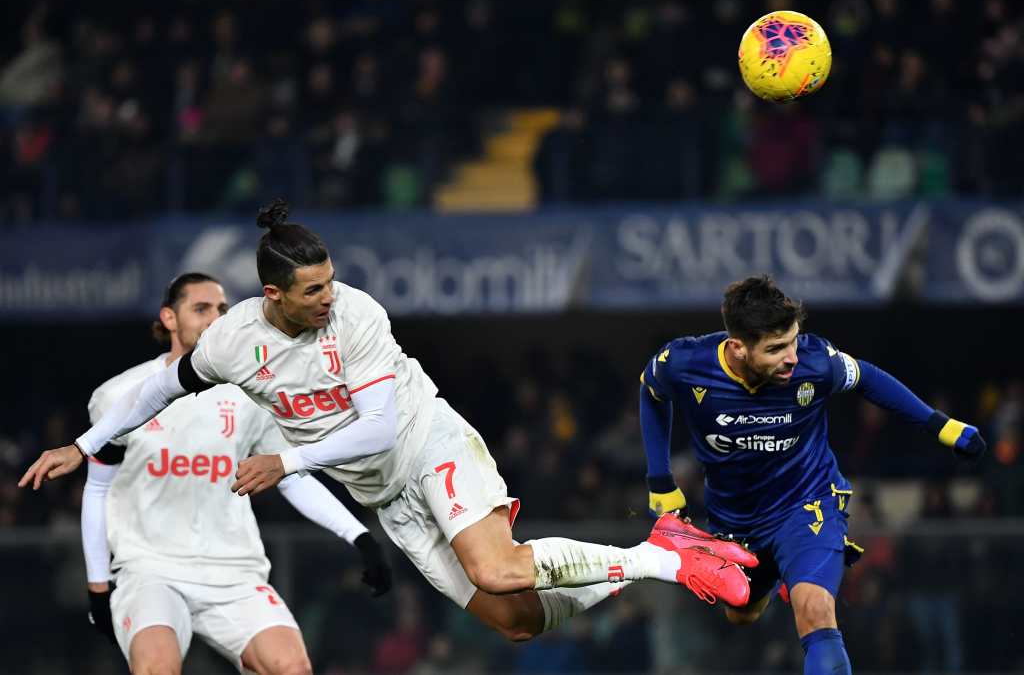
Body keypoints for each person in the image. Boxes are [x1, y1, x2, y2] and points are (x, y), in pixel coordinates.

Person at [22, 200, 757, 644]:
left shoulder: (357, 315)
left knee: (496, 568)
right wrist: (82, 446)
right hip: (387, 497)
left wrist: (286, 462)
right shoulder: (230, 342)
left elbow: (376, 428)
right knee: (518, 621)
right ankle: (651, 552)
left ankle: (669, 559)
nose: (328, 296)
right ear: (273, 295)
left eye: (330, 280)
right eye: (312, 290)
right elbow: (158, 391)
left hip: (425, 442)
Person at [638, 274, 987, 675]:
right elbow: (651, 392)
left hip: (807, 502)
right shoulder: (684, 363)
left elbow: (868, 378)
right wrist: (660, 481)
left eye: (792, 341)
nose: (791, 357)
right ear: (737, 348)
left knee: (816, 609)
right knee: (742, 613)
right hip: (736, 518)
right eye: (775, 348)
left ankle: (798, 570)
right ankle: (780, 575)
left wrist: (940, 425)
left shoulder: (816, 361)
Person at [80, 272, 391, 675]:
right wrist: (97, 587)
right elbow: (97, 489)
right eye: (201, 308)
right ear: (169, 318)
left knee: (292, 667)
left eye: (222, 309)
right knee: (157, 668)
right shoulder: (118, 395)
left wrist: (360, 536)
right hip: (150, 571)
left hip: (233, 570)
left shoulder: (252, 393)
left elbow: (289, 476)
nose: (215, 318)